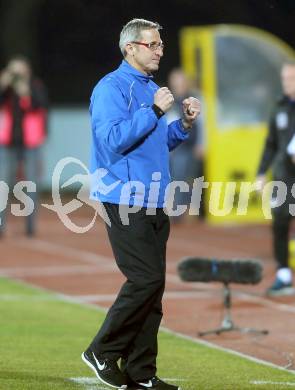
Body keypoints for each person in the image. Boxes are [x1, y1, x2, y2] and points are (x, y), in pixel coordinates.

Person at [82, 19, 201, 390]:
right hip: (123, 198)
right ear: (130, 48)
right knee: (145, 279)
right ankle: (102, 350)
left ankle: (141, 373)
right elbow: (113, 139)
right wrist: (151, 111)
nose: (160, 49)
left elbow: (155, 146)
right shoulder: (110, 88)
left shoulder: (150, 89)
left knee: (154, 289)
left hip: (153, 199)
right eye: (152, 44)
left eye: (161, 43)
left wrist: (181, 123)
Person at [256, 63, 295, 296]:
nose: (287, 81)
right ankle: (283, 274)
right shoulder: (279, 107)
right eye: (285, 77)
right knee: (279, 222)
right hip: (283, 177)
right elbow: (270, 143)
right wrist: (261, 173)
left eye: (291, 76)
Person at [0, 56, 48, 237]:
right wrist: (3, 84)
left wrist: (25, 93)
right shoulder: (6, 91)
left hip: (30, 143)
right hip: (7, 143)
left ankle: (30, 226)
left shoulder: (36, 87)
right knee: (3, 184)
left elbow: (41, 106)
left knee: (31, 184)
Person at [166, 68, 205, 221]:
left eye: (180, 81)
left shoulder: (194, 99)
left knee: (184, 178)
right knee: (171, 177)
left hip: (188, 145)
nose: (178, 85)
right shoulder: (169, 101)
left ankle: (179, 212)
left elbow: (203, 124)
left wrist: (202, 144)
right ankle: (173, 209)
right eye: (175, 82)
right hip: (170, 145)